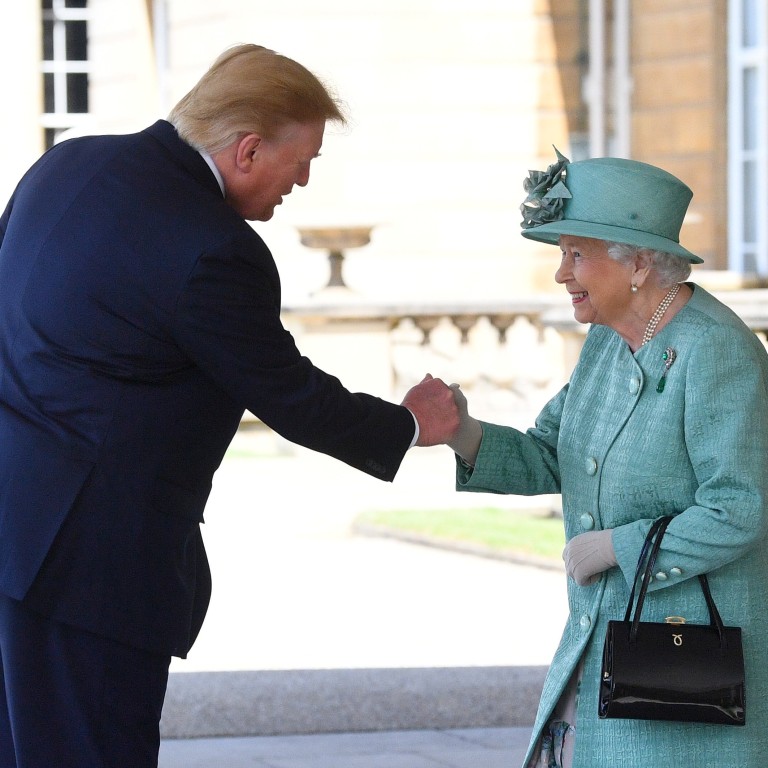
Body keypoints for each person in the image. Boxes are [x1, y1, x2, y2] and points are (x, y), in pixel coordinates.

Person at [0, 44, 458, 767]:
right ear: (247, 149)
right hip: (92, 565)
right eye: (303, 158)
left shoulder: (64, 165)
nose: (303, 180)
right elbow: (289, 393)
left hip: (12, 530)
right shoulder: (215, 248)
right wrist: (409, 424)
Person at [443, 150, 768, 766]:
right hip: (603, 650)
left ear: (640, 264)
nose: (562, 275)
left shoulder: (717, 352)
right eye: (561, 255)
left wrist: (619, 546)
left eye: (575, 255)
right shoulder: (607, 343)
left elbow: (738, 509)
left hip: (685, 667)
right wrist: (463, 433)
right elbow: (550, 453)